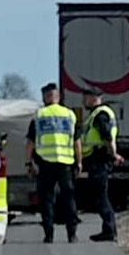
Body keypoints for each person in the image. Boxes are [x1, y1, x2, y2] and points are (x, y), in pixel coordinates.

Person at [25, 83, 80, 244]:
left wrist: (28, 163)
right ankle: (72, 234)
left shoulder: (39, 115)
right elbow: (77, 142)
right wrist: (79, 162)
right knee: (69, 199)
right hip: (66, 163)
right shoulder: (69, 115)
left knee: (47, 200)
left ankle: (49, 235)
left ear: (45, 97)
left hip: (46, 163)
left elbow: (30, 143)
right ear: (58, 97)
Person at [81, 89, 124, 241]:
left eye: (86, 98)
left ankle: (109, 230)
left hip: (100, 159)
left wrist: (113, 154)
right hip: (97, 159)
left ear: (94, 98)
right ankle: (108, 229)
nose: (83, 101)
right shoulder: (96, 114)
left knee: (101, 196)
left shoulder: (101, 115)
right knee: (99, 195)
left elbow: (107, 136)